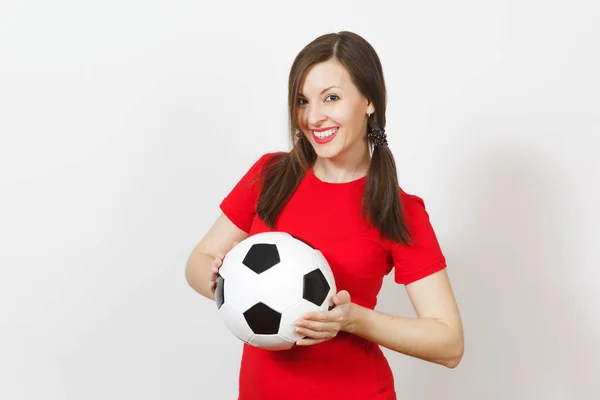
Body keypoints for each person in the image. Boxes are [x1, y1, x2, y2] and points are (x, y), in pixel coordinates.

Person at [185, 31, 464, 400]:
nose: (313, 117)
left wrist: (355, 320)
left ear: (368, 101)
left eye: (331, 97)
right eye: (302, 101)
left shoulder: (397, 208)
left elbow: (449, 343)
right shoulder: (270, 175)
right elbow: (196, 262)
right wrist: (226, 280)